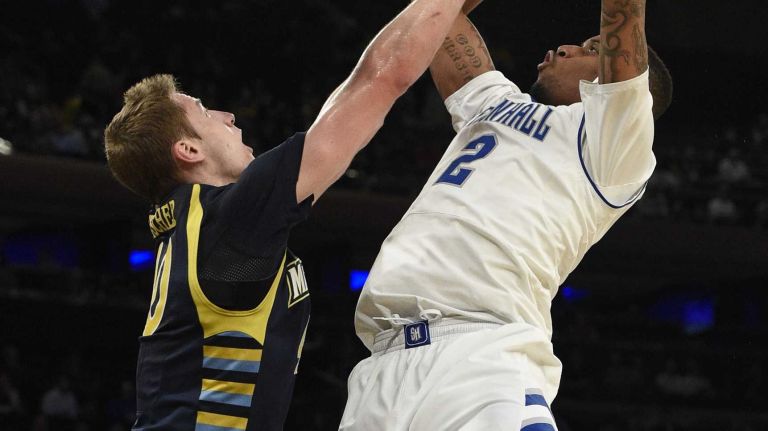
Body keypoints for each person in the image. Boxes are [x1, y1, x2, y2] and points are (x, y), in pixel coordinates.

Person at [103, 1, 471, 429]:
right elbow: (380, 78)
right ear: (188, 150)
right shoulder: (231, 222)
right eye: (204, 112)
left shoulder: (197, 227)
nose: (228, 116)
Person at [341, 0, 672, 430]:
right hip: (381, 365)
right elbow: (442, 16)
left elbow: (623, 12)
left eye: (592, 49)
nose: (566, 48)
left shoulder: (611, 145)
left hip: (484, 356)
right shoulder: (496, 101)